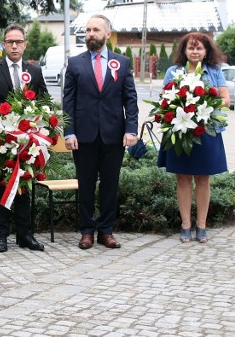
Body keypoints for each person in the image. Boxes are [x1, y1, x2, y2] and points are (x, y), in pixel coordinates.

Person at [62, 14, 139, 250]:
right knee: (85, 185)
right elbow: (68, 101)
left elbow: (131, 99)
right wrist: (69, 132)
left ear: (107, 33)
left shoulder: (122, 63)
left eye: (96, 30)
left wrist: (131, 129)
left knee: (109, 185)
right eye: (87, 30)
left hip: (113, 136)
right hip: (83, 137)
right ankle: (86, 231)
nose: (90, 34)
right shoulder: (75, 63)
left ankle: (106, 230)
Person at [0, 23, 48, 252]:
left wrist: (36, 120)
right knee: (2, 187)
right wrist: (4, 113)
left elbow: (44, 102)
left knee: (25, 187)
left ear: (25, 45)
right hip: (2, 140)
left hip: (27, 141)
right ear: (4, 45)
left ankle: (25, 235)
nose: (14, 46)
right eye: (10, 42)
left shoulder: (34, 71)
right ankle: (1, 235)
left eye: (18, 42)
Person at [157, 32, 230, 243]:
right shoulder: (173, 71)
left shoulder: (215, 72)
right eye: (191, 48)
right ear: (184, 50)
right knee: (182, 178)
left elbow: (225, 99)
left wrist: (204, 101)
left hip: (207, 132)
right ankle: (185, 225)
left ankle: (202, 225)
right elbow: (164, 99)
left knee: (203, 178)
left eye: (199, 48)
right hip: (180, 133)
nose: (195, 51)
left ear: (206, 51)